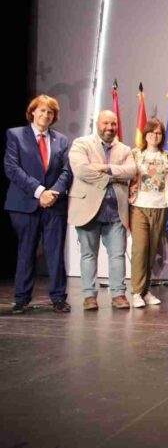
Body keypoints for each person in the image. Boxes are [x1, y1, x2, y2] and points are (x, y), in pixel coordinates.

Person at [4, 94, 72, 313]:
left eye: (50, 112)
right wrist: (39, 191)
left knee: (55, 252)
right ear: (32, 112)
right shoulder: (15, 135)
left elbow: (66, 171)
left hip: (54, 204)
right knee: (26, 251)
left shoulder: (61, 140)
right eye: (42, 110)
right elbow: (12, 168)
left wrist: (53, 193)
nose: (46, 115)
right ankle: (22, 299)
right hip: (25, 204)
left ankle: (59, 298)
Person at [68, 110, 137, 310]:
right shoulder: (81, 144)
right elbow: (81, 170)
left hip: (115, 210)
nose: (109, 128)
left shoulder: (124, 149)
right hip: (87, 209)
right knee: (88, 254)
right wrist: (115, 175)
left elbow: (132, 171)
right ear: (97, 124)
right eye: (105, 123)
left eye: (113, 124)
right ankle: (89, 296)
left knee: (117, 255)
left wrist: (105, 168)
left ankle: (119, 294)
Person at [129, 118, 168, 308]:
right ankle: (136, 292)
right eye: (152, 132)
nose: (155, 135)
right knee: (140, 250)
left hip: (160, 206)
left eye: (159, 132)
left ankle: (146, 290)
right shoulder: (135, 154)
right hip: (139, 206)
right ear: (145, 134)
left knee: (152, 251)